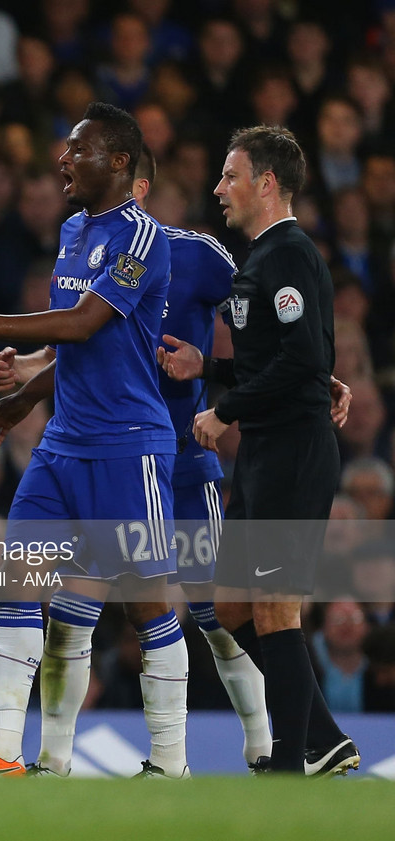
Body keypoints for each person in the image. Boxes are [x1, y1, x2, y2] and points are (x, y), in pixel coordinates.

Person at [0, 102, 189, 778]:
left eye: (79, 149)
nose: (63, 159)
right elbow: (91, 348)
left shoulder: (145, 239)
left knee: (147, 602)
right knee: (18, 579)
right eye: (64, 148)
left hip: (129, 446)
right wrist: (27, 397)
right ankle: (4, 753)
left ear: (119, 161)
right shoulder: (71, 230)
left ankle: (172, 763)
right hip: (62, 444)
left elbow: (88, 322)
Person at [0, 146, 276, 768]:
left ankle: (265, 744)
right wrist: (30, 374)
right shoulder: (87, 248)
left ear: (136, 185)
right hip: (105, 456)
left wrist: (247, 375)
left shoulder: (194, 254)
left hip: (181, 461)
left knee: (214, 610)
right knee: (73, 614)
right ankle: (52, 761)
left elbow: (269, 320)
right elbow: (89, 343)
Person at [158, 125, 359, 775]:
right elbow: (284, 361)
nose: (219, 188)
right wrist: (208, 371)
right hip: (268, 452)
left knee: (275, 605)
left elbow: (300, 362)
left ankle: (290, 759)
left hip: (293, 452)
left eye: (230, 176)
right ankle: (324, 737)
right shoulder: (262, 261)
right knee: (233, 603)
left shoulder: (290, 255)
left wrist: (225, 409)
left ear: (266, 184)